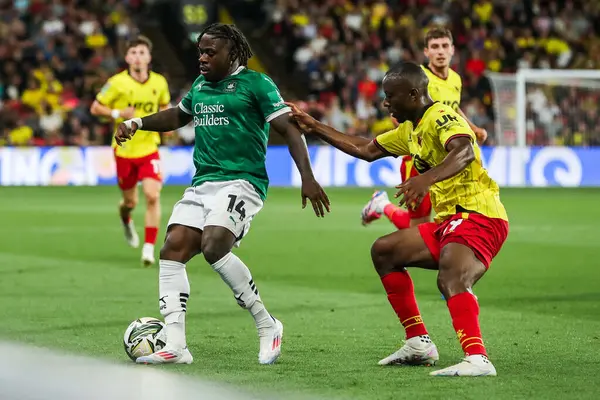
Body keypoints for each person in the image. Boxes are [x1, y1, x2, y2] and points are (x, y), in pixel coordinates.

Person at [114, 23, 330, 365]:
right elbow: (177, 116)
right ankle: (177, 346)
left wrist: (308, 177)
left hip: (243, 182)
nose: (202, 57)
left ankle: (267, 324)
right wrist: (138, 123)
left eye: (210, 52)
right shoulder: (201, 85)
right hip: (203, 183)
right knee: (172, 251)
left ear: (232, 54)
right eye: (200, 51)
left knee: (214, 245)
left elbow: (290, 129)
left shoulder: (257, 84)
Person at [286, 61, 508, 377]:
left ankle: (477, 358)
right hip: (450, 221)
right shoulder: (409, 130)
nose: (386, 102)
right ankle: (418, 342)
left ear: (414, 94)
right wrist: (315, 126)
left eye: (391, 96)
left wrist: (425, 179)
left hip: (480, 214)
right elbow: (365, 148)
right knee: (385, 251)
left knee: (451, 276)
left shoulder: (441, 116)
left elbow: (465, 150)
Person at [362, 27, 488, 229]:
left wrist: (473, 128)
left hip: (443, 159)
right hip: (417, 159)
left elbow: (453, 109)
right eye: (435, 47)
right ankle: (383, 205)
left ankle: (382, 205)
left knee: (442, 220)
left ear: (453, 50)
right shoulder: (419, 79)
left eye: (444, 46)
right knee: (419, 226)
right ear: (426, 52)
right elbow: (399, 117)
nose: (440, 51)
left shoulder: (455, 79)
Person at [90, 35, 171, 266]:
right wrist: (118, 114)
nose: (137, 57)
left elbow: (165, 107)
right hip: (124, 150)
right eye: (133, 53)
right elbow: (95, 107)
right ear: (127, 57)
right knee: (130, 202)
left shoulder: (159, 83)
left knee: (153, 195)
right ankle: (126, 218)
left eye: (142, 53)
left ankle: (148, 248)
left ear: (149, 57)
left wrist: (168, 125)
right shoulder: (117, 82)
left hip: (149, 148)